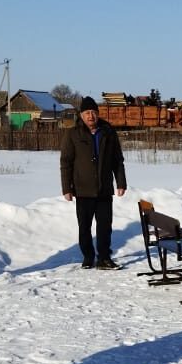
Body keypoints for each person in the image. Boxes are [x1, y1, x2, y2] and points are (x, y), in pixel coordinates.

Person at [61, 96, 128, 269]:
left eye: (93, 112)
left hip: (104, 189)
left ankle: (104, 258)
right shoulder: (73, 134)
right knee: (84, 227)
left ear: (97, 114)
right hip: (83, 190)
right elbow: (66, 162)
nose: (90, 116)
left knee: (105, 227)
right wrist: (66, 188)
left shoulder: (108, 131)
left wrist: (121, 182)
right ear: (81, 115)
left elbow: (117, 159)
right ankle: (88, 257)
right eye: (86, 113)